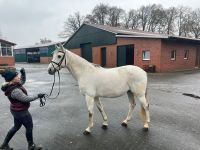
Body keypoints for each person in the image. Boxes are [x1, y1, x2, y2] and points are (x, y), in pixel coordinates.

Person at [0, 68, 45, 150]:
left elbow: (22, 81)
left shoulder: (13, 84)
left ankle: (4, 145)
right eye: (17, 76)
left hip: (16, 110)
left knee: (16, 127)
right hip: (21, 112)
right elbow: (26, 99)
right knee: (29, 127)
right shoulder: (15, 90)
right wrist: (38, 96)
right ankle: (31, 146)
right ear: (12, 79)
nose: (19, 77)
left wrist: (23, 73)